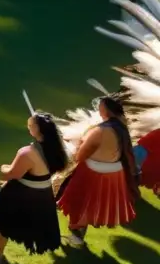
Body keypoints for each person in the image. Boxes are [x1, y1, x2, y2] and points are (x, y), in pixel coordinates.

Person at [0, 112, 69, 264]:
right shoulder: (55, 148)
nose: (28, 126)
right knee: (17, 223)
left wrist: (4, 167)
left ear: (37, 129)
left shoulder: (28, 152)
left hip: (23, 194)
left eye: (30, 124)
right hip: (42, 194)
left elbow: (12, 174)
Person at [56, 96, 138, 247]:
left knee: (79, 203)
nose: (98, 109)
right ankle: (78, 236)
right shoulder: (121, 126)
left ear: (106, 110)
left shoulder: (101, 131)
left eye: (100, 106)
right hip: (113, 173)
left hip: (93, 173)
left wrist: (78, 146)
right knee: (91, 205)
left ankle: (76, 237)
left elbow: (81, 156)